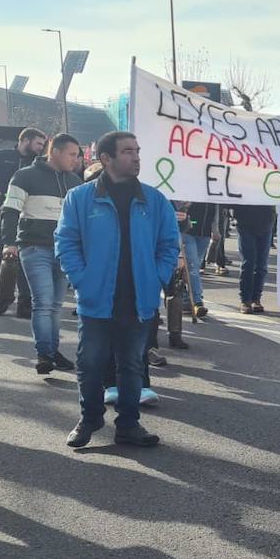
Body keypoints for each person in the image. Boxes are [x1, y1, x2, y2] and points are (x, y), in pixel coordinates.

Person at [57, 132, 178, 449]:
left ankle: (128, 423)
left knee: (132, 365)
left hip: (140, 298)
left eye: (137, 150)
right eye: (127, 151)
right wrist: (81, 279)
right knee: (90, 363)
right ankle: (90, 418)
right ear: (106, 158)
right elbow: (66, 243)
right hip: (96, 298)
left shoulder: (155, 200)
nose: (136, 157)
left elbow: (168, 246)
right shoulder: (79, 198)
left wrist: (157, 278)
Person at [1, 133, 83, 374]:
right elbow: (10, 210)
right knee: (44, 303)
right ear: (54, 152)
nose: (75, 159)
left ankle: (51, 351)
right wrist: (9, 243)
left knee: (56, 305)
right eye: (72, 154)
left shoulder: (75, 182)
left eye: (77, 155)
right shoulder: (24, 176)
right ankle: (44, 354)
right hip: (34, 246)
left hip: (65, 250)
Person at [0, 128, 46, 317]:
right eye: (38, 143)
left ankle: (25, 303)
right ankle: (4, 298)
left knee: (25, 260)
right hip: (0, 214)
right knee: (1, 258)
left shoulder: (40, 163)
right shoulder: (1, 156)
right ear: (26, 141)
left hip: (28, 217)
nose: (42, 148)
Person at [175, 200, 217, 318]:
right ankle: (197, 301)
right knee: (193, 267)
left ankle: (185, 295)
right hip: (188, 230)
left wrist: (215, 229)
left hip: (205, 233)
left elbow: (215, 207)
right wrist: (186, 204)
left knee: (193, 267)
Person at [232, 204, 276, 314]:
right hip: (245, 222)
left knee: (262, 264)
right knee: (249, 262)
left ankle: (256, 299)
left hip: (266, 221)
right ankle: (245, 300)